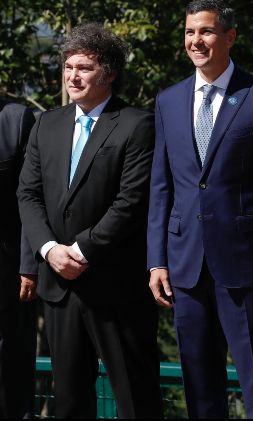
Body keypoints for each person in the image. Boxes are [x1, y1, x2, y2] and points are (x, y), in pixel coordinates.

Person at [147, 0, 253, 419]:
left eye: (207, 31)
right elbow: (161, 187)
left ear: (230, 37)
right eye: (190, 32)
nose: (196, 40)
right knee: (200, 388)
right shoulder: (168, 101)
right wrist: (156, 261)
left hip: (246, 268)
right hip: (185, 267)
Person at [16, 23, 162, 418]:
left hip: (116, 288)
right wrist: (50, 250)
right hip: (59, 287)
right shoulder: (47, 123)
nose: (73, 76)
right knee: (68, 404)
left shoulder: (138, 124)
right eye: (68, 67)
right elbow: (27, 194)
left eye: (84, 67)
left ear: (109, 73)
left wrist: (81, 251)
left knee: (136, 401)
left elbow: (131, 202)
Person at [0, 98, 36, 419]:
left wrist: (29, 266)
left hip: (9, 276)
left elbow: (30, 198)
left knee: (12, 371)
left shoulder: (15, 119)